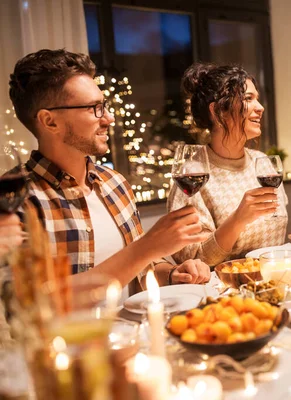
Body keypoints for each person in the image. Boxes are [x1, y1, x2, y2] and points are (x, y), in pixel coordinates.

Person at [6, 49, 211, 291]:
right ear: (50, 121)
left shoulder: (114, 183)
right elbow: (35, 306)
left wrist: (173, 274)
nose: (109, 118)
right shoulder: (14, 201)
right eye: (94, 108)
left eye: (104, 106)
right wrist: (147, 247)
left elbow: (142, 269)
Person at [168, 63, 287, 266]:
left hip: (274, 279)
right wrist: (238, 219)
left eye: (257, 98)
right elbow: (195, 262)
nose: (260, 107)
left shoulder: (264, 164)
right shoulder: (192, 173)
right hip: (222, 292)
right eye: (248, 98)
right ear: (217, 111)